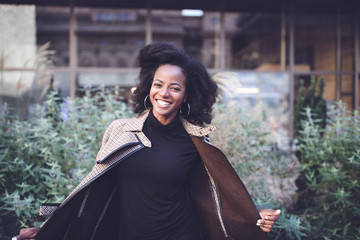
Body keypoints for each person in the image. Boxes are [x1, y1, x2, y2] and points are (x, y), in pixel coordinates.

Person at [13, 42, 280, 240]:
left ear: (186, 95)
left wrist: (253, 216)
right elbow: (95, 188)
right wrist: (50, 224)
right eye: (158, 84)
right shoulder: (120, 131)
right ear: (148, 86)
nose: (164, 93)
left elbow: (214, 196)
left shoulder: (196, 142)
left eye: (175, 87)